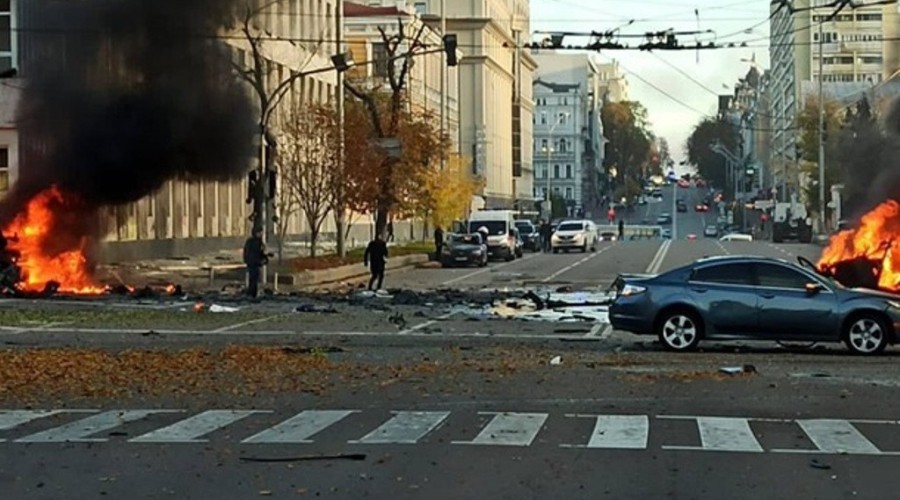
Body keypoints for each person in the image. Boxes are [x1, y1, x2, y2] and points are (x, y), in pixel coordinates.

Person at [243, 229, 268, 298]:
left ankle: (251, 293)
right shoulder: (257, 242)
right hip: (255, 263)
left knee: (252, 279)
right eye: (260, 233)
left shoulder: (249, 241)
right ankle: (252, 293)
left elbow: (246, 252)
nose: (261, 234)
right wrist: (263, 259)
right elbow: (259, 252)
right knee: (254, 279)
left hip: (251, 262)